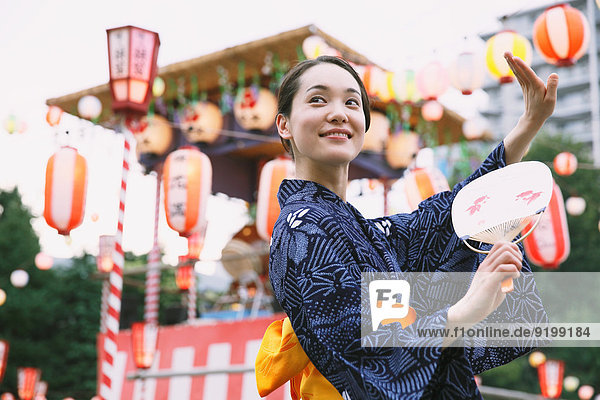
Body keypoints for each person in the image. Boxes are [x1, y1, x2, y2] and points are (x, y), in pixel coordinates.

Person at [256, 53, 558, 399]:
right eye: (318, 99)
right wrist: (466, 309)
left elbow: (445, 217)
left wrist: (529, 123)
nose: (338, 112)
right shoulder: (303, 228)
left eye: (352, 102)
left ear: (363, 124)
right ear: (284, 125)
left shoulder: (356, 229)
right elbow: (366, 346)